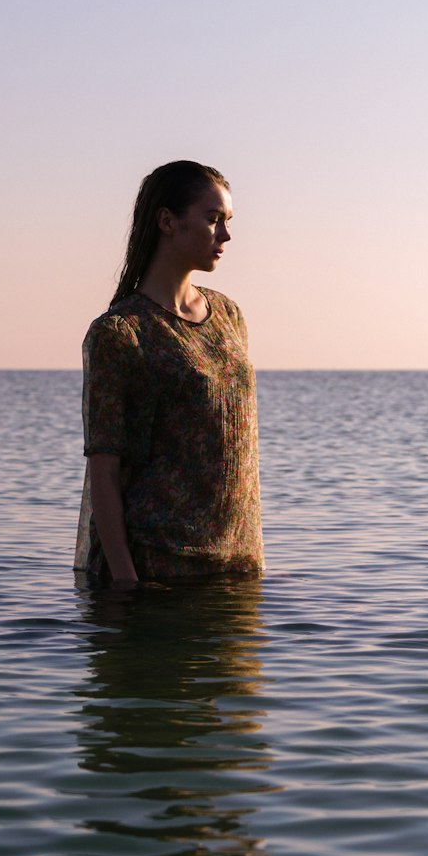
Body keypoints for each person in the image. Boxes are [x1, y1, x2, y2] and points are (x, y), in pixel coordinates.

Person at [74, 160, 264, 588]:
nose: (226, 235)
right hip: (159, 572)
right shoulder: (121, 333)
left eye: (228, 221)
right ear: (167, 221)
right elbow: (104, 468)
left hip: (236, 566)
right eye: (213, 219)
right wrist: (126, 581)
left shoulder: (228, 316)